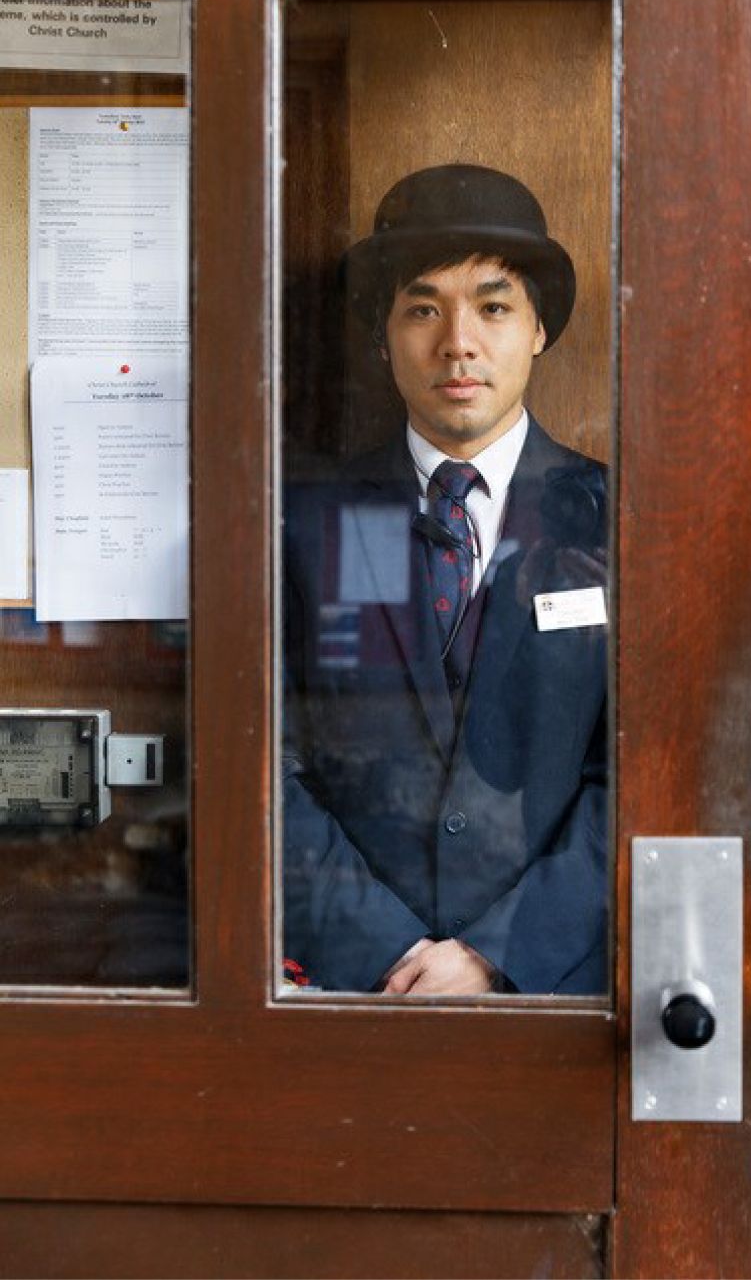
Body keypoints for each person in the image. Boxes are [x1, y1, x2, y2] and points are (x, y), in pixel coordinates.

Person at [282, 163, 608, 996]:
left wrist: (495, 953)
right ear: (383, 334)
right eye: (423, 308)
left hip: (558, 995)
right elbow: (261, 772)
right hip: (346, 993)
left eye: (494, 307)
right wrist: (390, 953)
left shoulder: (618, 519)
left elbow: (645, 781)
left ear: (538, 328)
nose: (458, 341)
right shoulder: (299, 522)